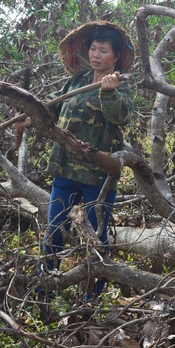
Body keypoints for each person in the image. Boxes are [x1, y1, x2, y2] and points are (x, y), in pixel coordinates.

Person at [16, 20, 135, 299]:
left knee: (97, 233)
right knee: (55, 228)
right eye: (93, 49)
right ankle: (45, 286)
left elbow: (122, 116)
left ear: (116, 56)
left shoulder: (120, 86)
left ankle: (93, 294)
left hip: (97, 174)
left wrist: (108, 92)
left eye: (103, 51)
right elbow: (54, 110)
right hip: (66, 169)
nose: (96, 55)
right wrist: (30, 117)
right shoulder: (78, 80)